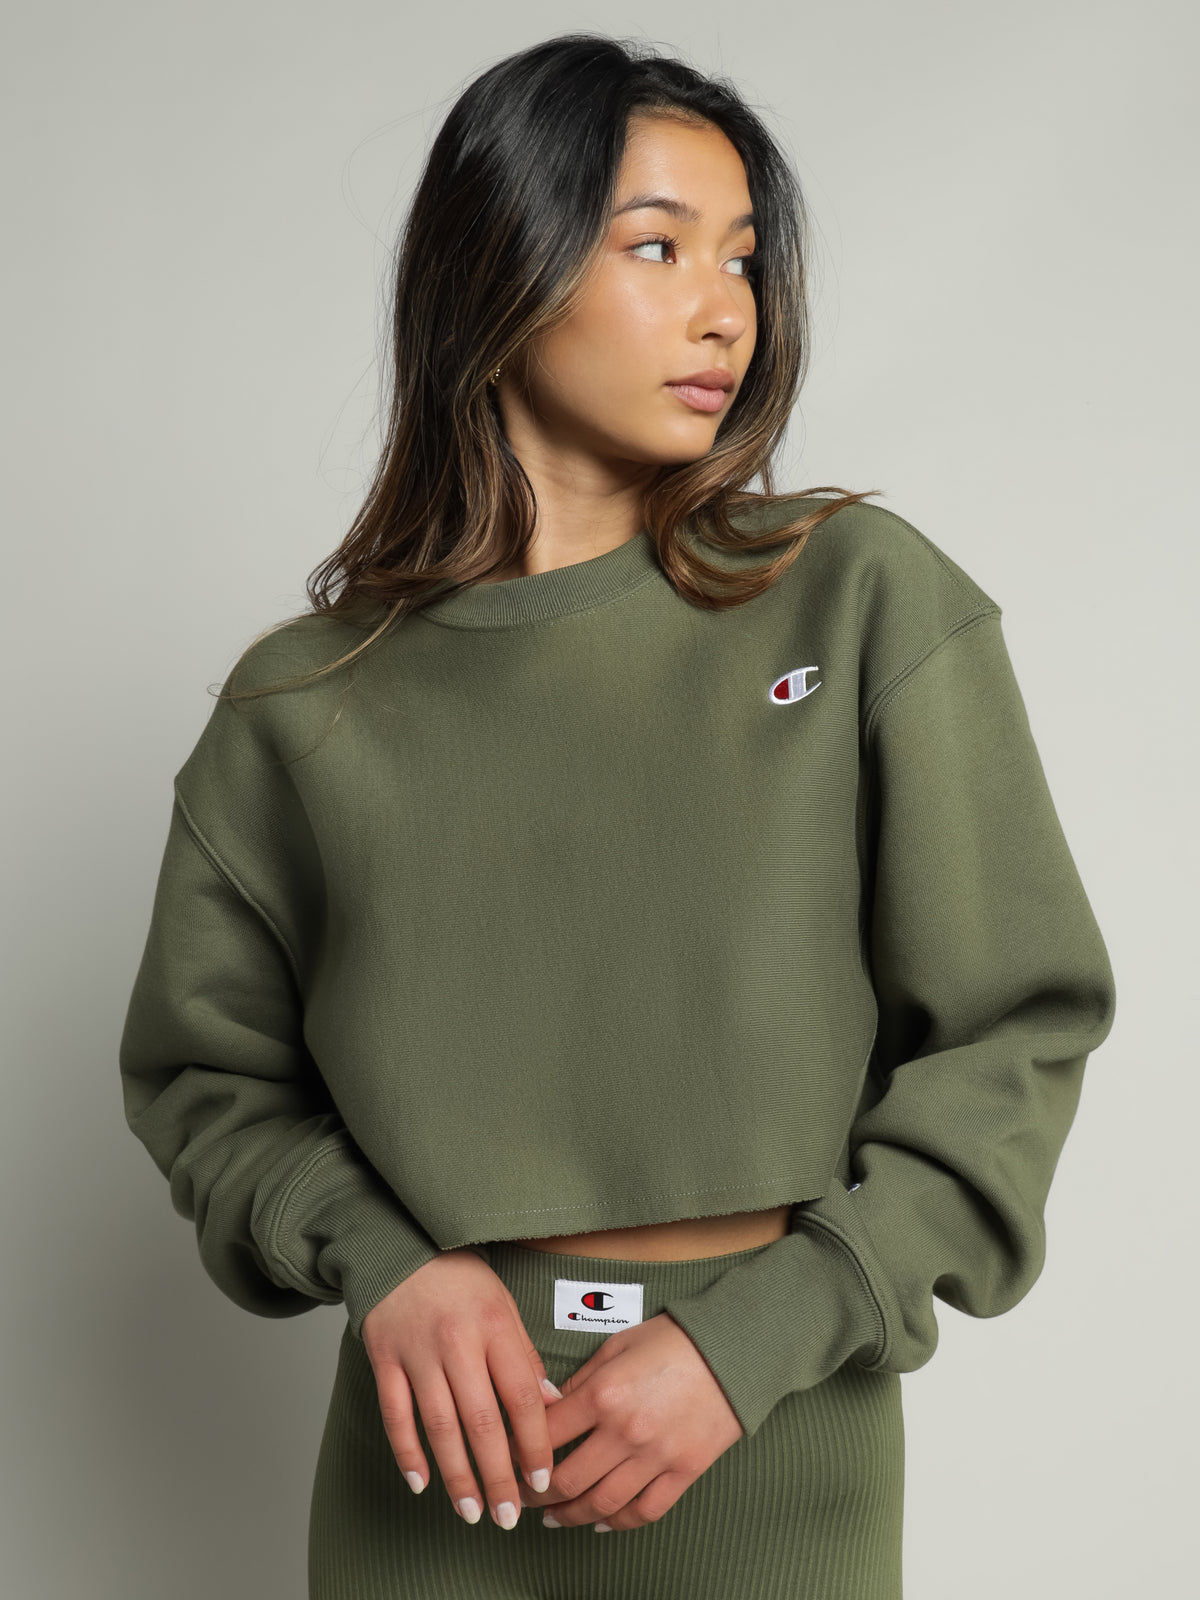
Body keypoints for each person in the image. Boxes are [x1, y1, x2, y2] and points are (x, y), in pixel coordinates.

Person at [118, 31, 1117, 1600]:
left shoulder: (857, 600)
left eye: (743, 259)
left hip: (773, 1447)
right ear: (499, 269)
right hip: (429, 1467)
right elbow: (204, 1080)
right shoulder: (304, 705)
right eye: (658, 247)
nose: (727, 309)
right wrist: (390, 1268)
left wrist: (754, 1340)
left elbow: (1016, 1031)